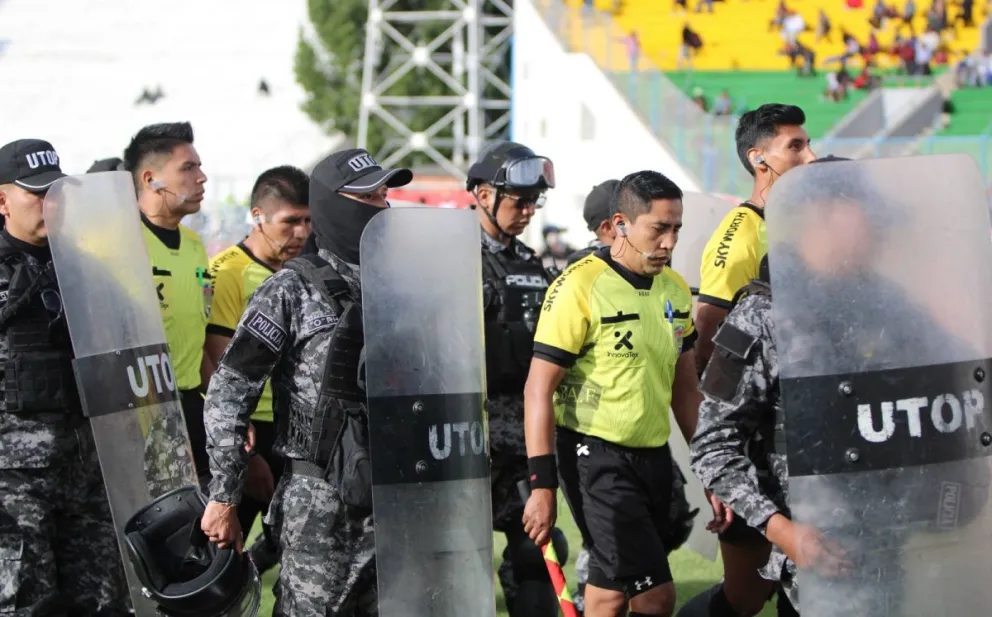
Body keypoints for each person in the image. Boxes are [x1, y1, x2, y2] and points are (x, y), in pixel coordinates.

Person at [200, 148, 412, 616]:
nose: (384, 206)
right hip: (322, 508)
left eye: (384, 194)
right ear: (337, 205)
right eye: (370, 196)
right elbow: (228, 394)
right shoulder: (290, 289)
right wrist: (224, 495)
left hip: (399, 500)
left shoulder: (404, 284)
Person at [522, 170, 703, 617]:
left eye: (676, 228)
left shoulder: (675, 290)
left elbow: (686, 388)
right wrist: (542, 486)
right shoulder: (580, 285)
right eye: (659, 228)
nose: (669, 242)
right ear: (620, 224)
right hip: (594, 458)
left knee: (608, 591)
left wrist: (710, 467)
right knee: (655, 596)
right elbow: (538, 389)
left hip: (654, 456)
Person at [0, 139, 129, 615]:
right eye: (36, 193)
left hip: (86, 475)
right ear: (1, 201)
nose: (49, 202)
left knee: (100, 602)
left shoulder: (84, 267)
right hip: (12, 488)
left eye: (55, 191)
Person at [466, 140, 562, 617]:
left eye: (533, 202)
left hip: (520, 432)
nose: (527, 211)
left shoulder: (528, 261)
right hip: (465, 436)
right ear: (483, 194)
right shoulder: (447, 255)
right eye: (518, 201)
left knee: (540, 548)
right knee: (459, 557)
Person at [204, 165, 311, 574]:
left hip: (294, 429)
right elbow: (217, 359)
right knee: (220, 548)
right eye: (290, 222)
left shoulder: (303, 274)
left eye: (307, 221)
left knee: (291, 538)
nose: (301, 233)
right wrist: (241, 446)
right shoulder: (229, 271)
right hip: (249, 429)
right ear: (258, 217)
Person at [695, 103, 817, 377]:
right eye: (795, 147)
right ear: (758, 158)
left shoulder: (803, 224)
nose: (811, 157)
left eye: (808, 145)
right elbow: (706, 341)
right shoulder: (742, 234)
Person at [123, 121, 212, 485]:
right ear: (150, 179)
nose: (202, 177)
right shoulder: (119, 243)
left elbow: (200, 337)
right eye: (188, 168)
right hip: (142, 410)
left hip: (192, 405)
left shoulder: (194, 245)